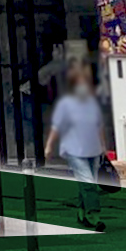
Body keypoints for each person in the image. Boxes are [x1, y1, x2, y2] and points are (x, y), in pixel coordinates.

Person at [46, 61, 109, 230]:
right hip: (74, 150)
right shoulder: (66, 105)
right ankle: (94, 217)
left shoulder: (92, 104)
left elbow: (99, 125)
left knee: (87, 181)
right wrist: (49, 146)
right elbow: (56, 126)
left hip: (93, 149)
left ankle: (82, 213)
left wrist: (103, 146)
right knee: (89, 183)